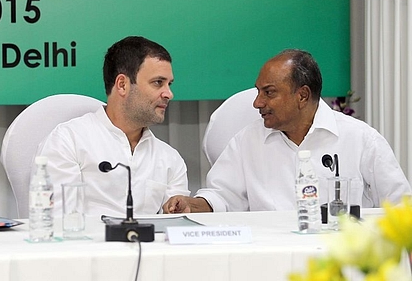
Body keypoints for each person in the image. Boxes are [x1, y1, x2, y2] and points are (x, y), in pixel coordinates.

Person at [164, 49, 411, 213]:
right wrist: (191, 205)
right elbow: (222, 197)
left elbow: (400, 207)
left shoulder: (360, 139)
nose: (257, 103)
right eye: (258, 91)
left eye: (268, 92)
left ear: (302, 95)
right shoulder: (247, 141)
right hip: (270, 261)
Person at [35, 36, 190, 217]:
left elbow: (174, 229)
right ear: (122, 85)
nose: (169, 94)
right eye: (158, 83)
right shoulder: (68, 141)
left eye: (169, 84)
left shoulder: (171, 159)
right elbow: (57, 222)